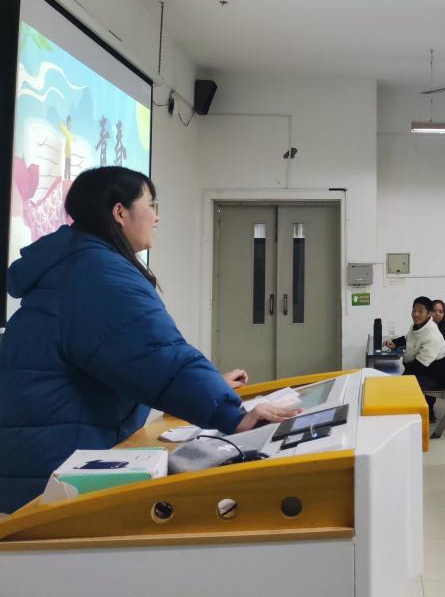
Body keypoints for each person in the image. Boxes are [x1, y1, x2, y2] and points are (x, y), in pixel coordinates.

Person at [0, 168, 300, 514]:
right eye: (151, 205)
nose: (157, 217)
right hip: (50, 480)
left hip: (43, 459)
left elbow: (131, 360)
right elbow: (158, 355)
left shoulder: (79, 263)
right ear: (120, 212)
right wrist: (232, 414)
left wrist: (210, 388)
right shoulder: (97, 273)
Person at [387, 296, 445, 421]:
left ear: (429, 313)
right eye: (414, 310)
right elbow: (408, 337)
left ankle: (416, 416)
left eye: (420, 311)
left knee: (398, 387)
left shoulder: (432, 335)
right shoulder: (417, 325)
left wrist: (401, 378)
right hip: (422, 370)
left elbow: (420, 366)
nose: (415, 314)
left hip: (433, 376)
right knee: (395, 384)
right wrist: (395, 343)